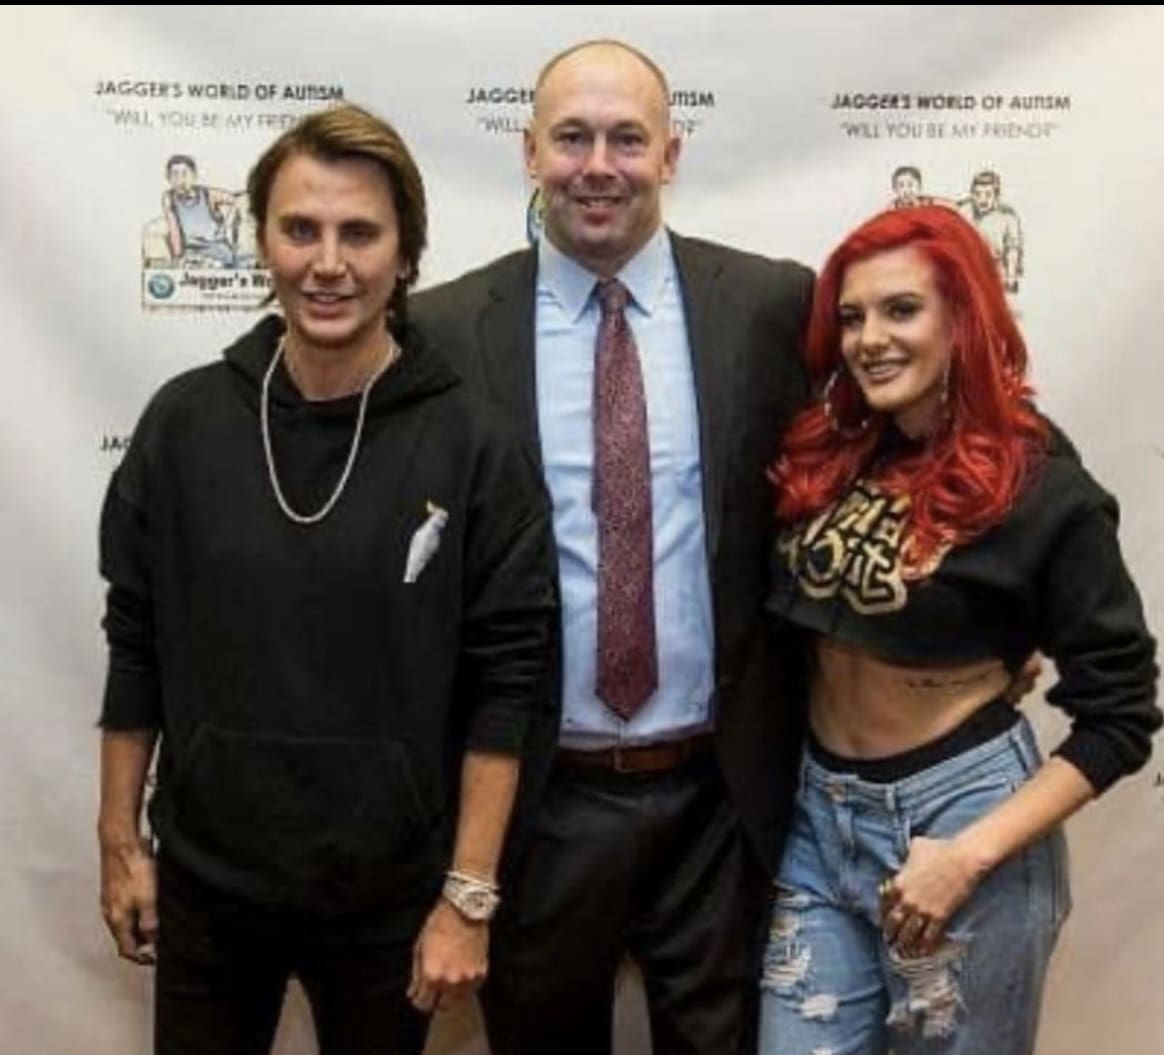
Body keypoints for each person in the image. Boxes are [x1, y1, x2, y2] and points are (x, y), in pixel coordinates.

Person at [97, 103, 557, 1055]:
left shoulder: (474, 443)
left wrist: (469, 897)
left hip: (392, 902)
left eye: (360, 232)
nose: (328, 262)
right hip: (207, 888)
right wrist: (119, 840)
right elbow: (135, 639)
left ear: (406, 253)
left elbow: (507, 686)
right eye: (300, 228)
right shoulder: (184, 423)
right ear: (262, 240)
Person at [412, 39, 813, 1055]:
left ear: (670, 154)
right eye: (572, 138)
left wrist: (987, 604)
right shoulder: (445, 329)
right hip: (540, 801)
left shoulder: (772, 306)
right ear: (528, 152)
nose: (599, 166)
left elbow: (894, 444)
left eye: (628, 139)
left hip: (720, 798)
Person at [760, 204, 1159, 1055]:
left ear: (963, 319)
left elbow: (1122, 715)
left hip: (960, 814)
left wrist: (970, 854)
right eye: (853, 316)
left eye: (901, 310)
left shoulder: (1037, 480)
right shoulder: (836, 454)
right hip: (820, 816)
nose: (870, 339)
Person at [161, 154, 246, 266]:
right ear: (168, 178)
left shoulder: (208, 194)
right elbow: (174, 230)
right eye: (175, 175)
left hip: (218, 250)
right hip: (192, 253)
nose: (180, 180)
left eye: (184, 174)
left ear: (194, 176)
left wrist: (229, 222)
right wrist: (178, 257)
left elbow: (235, 200)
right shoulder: (169, 198)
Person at [958, 169, 1023, 292]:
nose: (982, 200)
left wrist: (1011, 276)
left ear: (996, 196)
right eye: (977, 194)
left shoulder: (1007, 218)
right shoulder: (962, 211)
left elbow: (1012, 250)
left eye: (988, 194)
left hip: (995, 273)